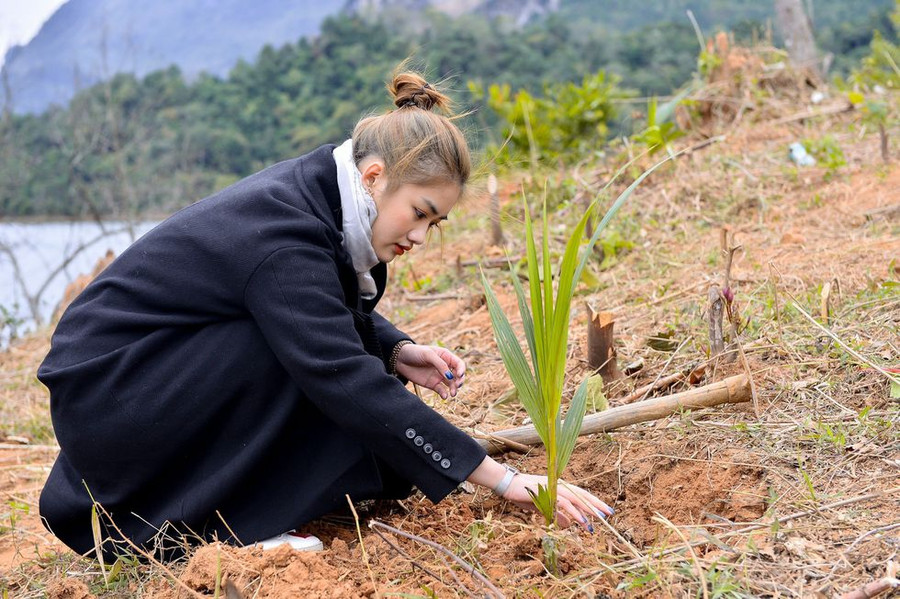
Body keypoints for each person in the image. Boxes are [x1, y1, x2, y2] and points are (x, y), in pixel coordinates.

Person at [37, 70, 613, 560]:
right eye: (419, 212)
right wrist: (503, 479)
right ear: (374, 177)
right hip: (113, 399)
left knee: (333, 371)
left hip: (150, 384)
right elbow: (334, 363)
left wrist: (393, 348)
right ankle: (220, 531)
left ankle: (251, 500)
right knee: (301, 362)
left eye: (433, 224)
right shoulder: (284, 237)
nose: (419, 236)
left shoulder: (318, 194)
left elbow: (309, 300)